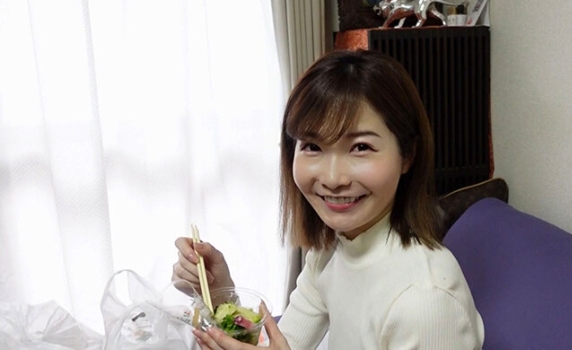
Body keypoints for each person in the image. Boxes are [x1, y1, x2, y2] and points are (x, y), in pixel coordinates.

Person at [172, 49, 485, 349]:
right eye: (312, 146)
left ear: (407, 155)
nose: (334, 178)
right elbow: (282, 345)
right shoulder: (333, 249)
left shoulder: (426, 302)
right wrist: (219, 293)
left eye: (361, 147)